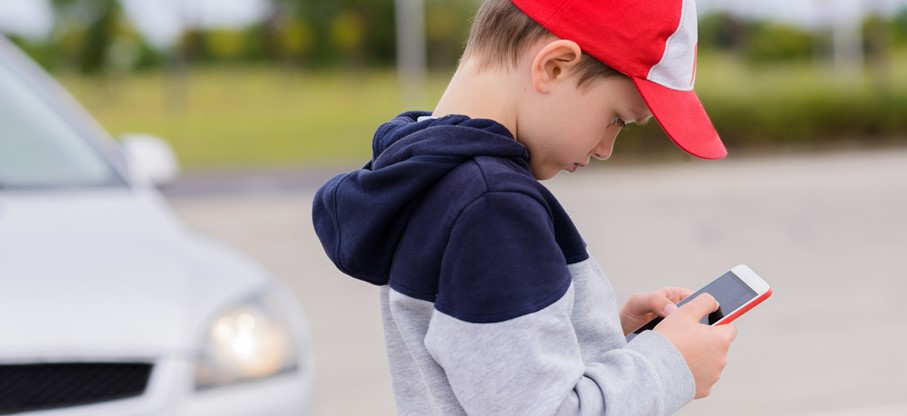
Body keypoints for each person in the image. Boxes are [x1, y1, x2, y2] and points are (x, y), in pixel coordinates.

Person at [312, 0, 737, 414]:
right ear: (554, 66)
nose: (607, 148)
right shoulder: (493, 209)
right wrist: (668, 365)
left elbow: (487, 373)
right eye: (617, 119)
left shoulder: (430, 174)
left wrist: (603, 334)